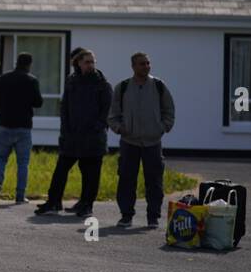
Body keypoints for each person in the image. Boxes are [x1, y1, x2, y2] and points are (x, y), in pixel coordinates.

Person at [36, 49, 111, 217]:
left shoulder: (102, 84)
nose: (90, 65)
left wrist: (96, 128)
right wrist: (65, 131)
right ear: (78, 63)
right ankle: (54, 202)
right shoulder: (72, 82)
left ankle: (86, 204)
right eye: (87, 62)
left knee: (90, 174)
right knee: (61, 170)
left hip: (93, 139)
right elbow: (64, 108)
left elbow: (107, 112)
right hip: (72, 137)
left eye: (93, 62)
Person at [108, 52, 175, 228]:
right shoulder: (122, 87)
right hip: (129, 143)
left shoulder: (159, 86)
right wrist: (119, 128)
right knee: (126, 180)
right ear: (133, 66)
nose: (146, 66)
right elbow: (112, 115)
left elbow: (169, 110)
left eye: (147, 63)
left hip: (153, 143)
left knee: (154, 181)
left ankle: (153, 217)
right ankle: (126, 216)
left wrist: (162, 128)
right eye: (142, 64)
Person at [0, 52, 44, 203]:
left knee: (0, 158)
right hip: (24, 126)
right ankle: (20, 195)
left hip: (5, 124)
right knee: (23, 163)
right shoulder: (32, 80)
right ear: (29, 64)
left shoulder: (4, 78)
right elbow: (38, 102)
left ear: (16, 62)